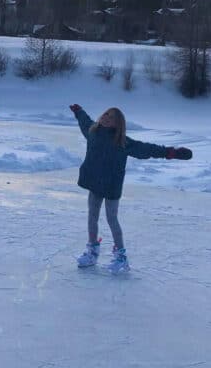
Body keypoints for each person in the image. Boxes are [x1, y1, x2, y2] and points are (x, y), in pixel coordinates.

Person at [69, 104, 192, 273]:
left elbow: (146, 149)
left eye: (111, 117)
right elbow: (85, 121)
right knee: (92, 216)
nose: (106, 118)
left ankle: (121, 257)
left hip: (111, 185)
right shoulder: (93, 132)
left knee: (112, 219)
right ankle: (92, 251)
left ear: (117, 124)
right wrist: (79, 111)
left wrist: (171, 153)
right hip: (94, 183)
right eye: (105, 114)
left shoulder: (122, 142)